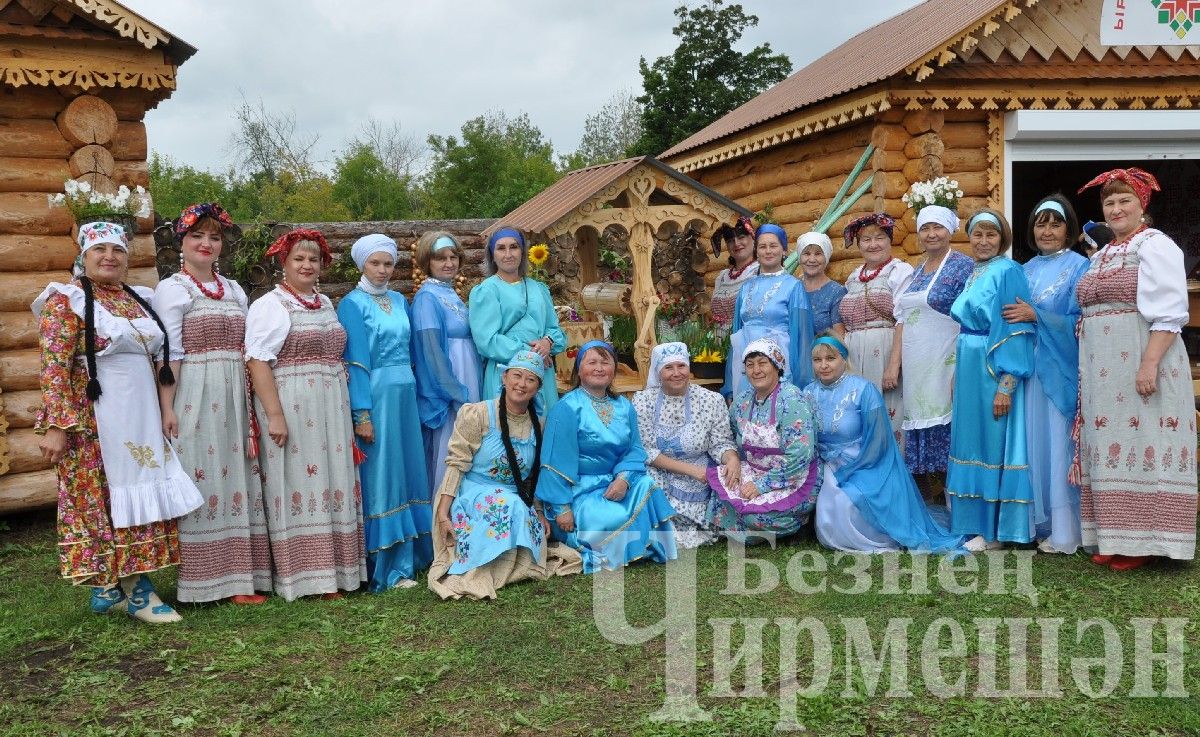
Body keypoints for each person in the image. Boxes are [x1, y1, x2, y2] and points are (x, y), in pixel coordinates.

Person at [34, 221, 203, 623]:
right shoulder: (66, 300)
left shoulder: (137, 299)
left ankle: (113, 588)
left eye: (118, 251)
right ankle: (135, 591)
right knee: (105, 502)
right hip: (95, 423)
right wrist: (57, 425)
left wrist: (165, 409)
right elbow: (54, 367)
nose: (109, 257)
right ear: (83, 256)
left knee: (139, 492)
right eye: (100, 251)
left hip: (139, 417)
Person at [1074, 167, 1196, 569]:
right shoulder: (1104, 252)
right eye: (1109, 202)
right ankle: (1113, 535)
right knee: (1110, 445)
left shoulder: (1154, 244)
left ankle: (1144, 542)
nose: (1116, 208)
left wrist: (1149, 363)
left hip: (1142, 358)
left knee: (1145, 440)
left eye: (1125, 199)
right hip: (1102, 368)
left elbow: (1171, 311)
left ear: (1142, 204)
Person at [152, 203, 269, 605]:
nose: (206, 243)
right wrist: (167, 408)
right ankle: (203, 581)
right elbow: (171, 354)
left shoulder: (234, 289)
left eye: (214, 237)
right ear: (181, 242)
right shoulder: (173, 289)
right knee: (202, 476)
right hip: (195, 393)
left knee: (237, 474)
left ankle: (240, 579)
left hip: (235, 391)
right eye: (197, 236)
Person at [245, 229, 366, 600]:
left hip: (331, 401)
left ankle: (337, 573)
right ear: (284, 263)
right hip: (294, 402)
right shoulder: (272, 305)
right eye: (299, 258)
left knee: (332, 478)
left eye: (313, 259)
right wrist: (275, 415)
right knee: (300, 481)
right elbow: (258, 360)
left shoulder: (324, 302)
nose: (307, 265)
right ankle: (306, 576)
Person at [428, 350, 581, 599]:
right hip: (474, 493)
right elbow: (457, 463)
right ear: (504, 378)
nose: (521, 384)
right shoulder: (477, 414)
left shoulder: (539, 425)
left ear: (538, 387)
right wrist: (443, 513)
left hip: (517, 495)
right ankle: (486, 568)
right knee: (506, 505)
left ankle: (512, 568)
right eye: (516, 376)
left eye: (530, 379)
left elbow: (533, 476)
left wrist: (539, 512)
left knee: (515, 507)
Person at [337, 233, 432, 591]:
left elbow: (411, 354)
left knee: (409, 470)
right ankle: (389, 566)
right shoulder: (351, 304)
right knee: (384, 475)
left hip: (405, 395)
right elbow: (357, 362)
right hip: (377, 396)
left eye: (388, 263)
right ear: (361, 264)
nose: (382, 270)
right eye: (375, 263)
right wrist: (362, 414)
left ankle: (418, 555)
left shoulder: (399, 300)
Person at [807, 336, 963, 553]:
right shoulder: (807, 393)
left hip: (863, 461)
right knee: (829, 498)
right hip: (824, 463)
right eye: (817, 360)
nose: (824, 365)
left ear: (844, 359)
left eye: (830, 358)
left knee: (847, 501)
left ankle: (868, 537)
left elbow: (879, 441)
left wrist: (851, 467)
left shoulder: (863, 390)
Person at [537, 341, 678, 572]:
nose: (599, 368)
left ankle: (641, 545)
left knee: (647, 484)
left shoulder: (624, 406)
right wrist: (562, 508)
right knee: (608, 518)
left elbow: (634, 449)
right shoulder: (567, 408)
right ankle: (624, 545)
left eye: (606, 362)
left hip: (614, 482)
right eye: (592, 362)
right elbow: (554, 462)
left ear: (614, 369)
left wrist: (623, 479)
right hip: (578, 492)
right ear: (579, 370)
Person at [1001, 195, 1089, 554]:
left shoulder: (1080, 267)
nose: (1048, 231)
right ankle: (1034, 523)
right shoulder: (1022, 270)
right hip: (1027, 371)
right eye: (1041, 223)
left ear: (1068, 227)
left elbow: (1081, 323)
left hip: (1058, 369)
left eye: (1056, 223)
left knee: (1056, 442)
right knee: (1031, 441)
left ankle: (1065, 528)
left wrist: (1037, 316)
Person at [944, 209, 1036, 551]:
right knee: (971, 440)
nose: (983, 241)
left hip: (991, 366)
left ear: (1003, 239)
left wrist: (1006, 385)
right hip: (969, 363)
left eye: (991, 235)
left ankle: (996, 530)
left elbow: (1017, 330)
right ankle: (972, 523)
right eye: (977, 234)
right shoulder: (975, 271)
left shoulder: (1008, 271)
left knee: (992, 441)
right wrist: (957, 371)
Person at [891, 205, 973, 491]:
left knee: (951, 433)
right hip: (918, 368)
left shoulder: (963, 266)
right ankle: (929, 504)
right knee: (920, 428)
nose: (931, 234)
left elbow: (972, 317)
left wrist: (962, 368)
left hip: (946, 361)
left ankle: (958, 506)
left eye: (937, 227)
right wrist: (895, 362)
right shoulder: (916, 271)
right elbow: (903, 317)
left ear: (950, 230)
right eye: (925, 228)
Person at [709, 338, 821, 540]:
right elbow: (728, 433)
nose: (756, 370)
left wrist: (762, 486)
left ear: (777, 366)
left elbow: (800, 455)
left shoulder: (793, 400)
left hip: (792, 476)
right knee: (717, 493)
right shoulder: (743, 401)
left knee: (758, 517)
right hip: (755, 470)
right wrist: (733, 459)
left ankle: (797, 523)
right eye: (750, 365)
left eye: (762, 363)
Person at [632, 342, 740, 548]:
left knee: (729, 482)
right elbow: (646, 450)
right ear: (658, 371)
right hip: (659, 469)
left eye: (681, 366)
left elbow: (721, 442)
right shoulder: (642, 401)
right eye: (668, 367)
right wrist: (691, 470)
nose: (676, 373)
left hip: (701, 472)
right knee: (647, 484)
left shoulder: (712, 400)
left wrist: (732, 459)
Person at [412, 231, 482, 495]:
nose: (449, 263)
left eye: (454, 257)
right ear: (427, 261)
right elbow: (431, 354)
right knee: (452, 448)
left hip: (469, 373)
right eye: (440, 258)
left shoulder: (451, 294)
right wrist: (458, 396)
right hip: (452, 386)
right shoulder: (426, 298)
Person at [469, 227, 565, 413]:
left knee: (543, 428)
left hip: (540, 371)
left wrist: (548, 342)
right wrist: (531, 352)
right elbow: (487, 341)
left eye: (513, 247)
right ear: (492, 254)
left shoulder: (539, 288)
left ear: (522, 251)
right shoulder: (486, 291)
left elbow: (555, 330)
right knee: (508, 432)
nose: (508, 254)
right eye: (501, 248)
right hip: (506, 371)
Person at [838, 213, 914, 442]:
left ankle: (891, 472)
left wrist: (893, 364)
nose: (873, 244)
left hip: (885, 352)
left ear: (890, 240)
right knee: (857, 415)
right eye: (866, 240)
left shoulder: (899, 271)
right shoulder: (853, 277)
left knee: (887, 414)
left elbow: (904, 319)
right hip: (854, 356)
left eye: (879, 237)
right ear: (859, 245)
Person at [725, 224, 814, 398]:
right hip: (745, 362)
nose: (768, 251)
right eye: (762, 246)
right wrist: (729, 384)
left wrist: (801, 381)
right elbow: (736, 334)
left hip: (779, 361)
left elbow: (803, 337)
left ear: (784, 250)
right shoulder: (746, 287)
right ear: (756, 251)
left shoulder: (794, 286)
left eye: (773, 246)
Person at [709, 215, 759, 342]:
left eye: (741, 237)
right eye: (730, 240)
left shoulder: (759, 272)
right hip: (718, 346)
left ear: (752, 238)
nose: (736, 243)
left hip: (747, 343)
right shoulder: (722, 277)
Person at [796, 231, 846, 336]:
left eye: (818, 254)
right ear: (800, 257)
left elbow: (839, 336)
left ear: (826, 258)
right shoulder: (793, 289)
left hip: (823, 351)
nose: (812, 259)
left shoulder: (836, 292)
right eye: (806, 253)